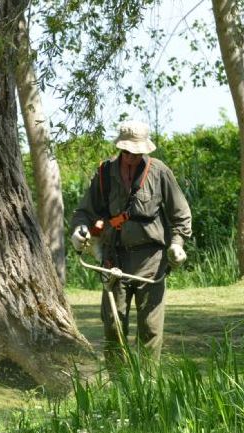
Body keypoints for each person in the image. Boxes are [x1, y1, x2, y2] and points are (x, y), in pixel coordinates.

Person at [70, 120, 192, 362]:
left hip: (151, 259)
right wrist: (80, 229)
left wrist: (177, 244)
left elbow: (181, 213)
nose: (131, 157)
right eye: (127, 151)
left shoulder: (159, 172)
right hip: (114, 258)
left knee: (150, 328)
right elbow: (85, 211)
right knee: (113, 325)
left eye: (137, 153)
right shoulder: (105, 173)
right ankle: (118, 385)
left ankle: (148, 386)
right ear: (120, 148)